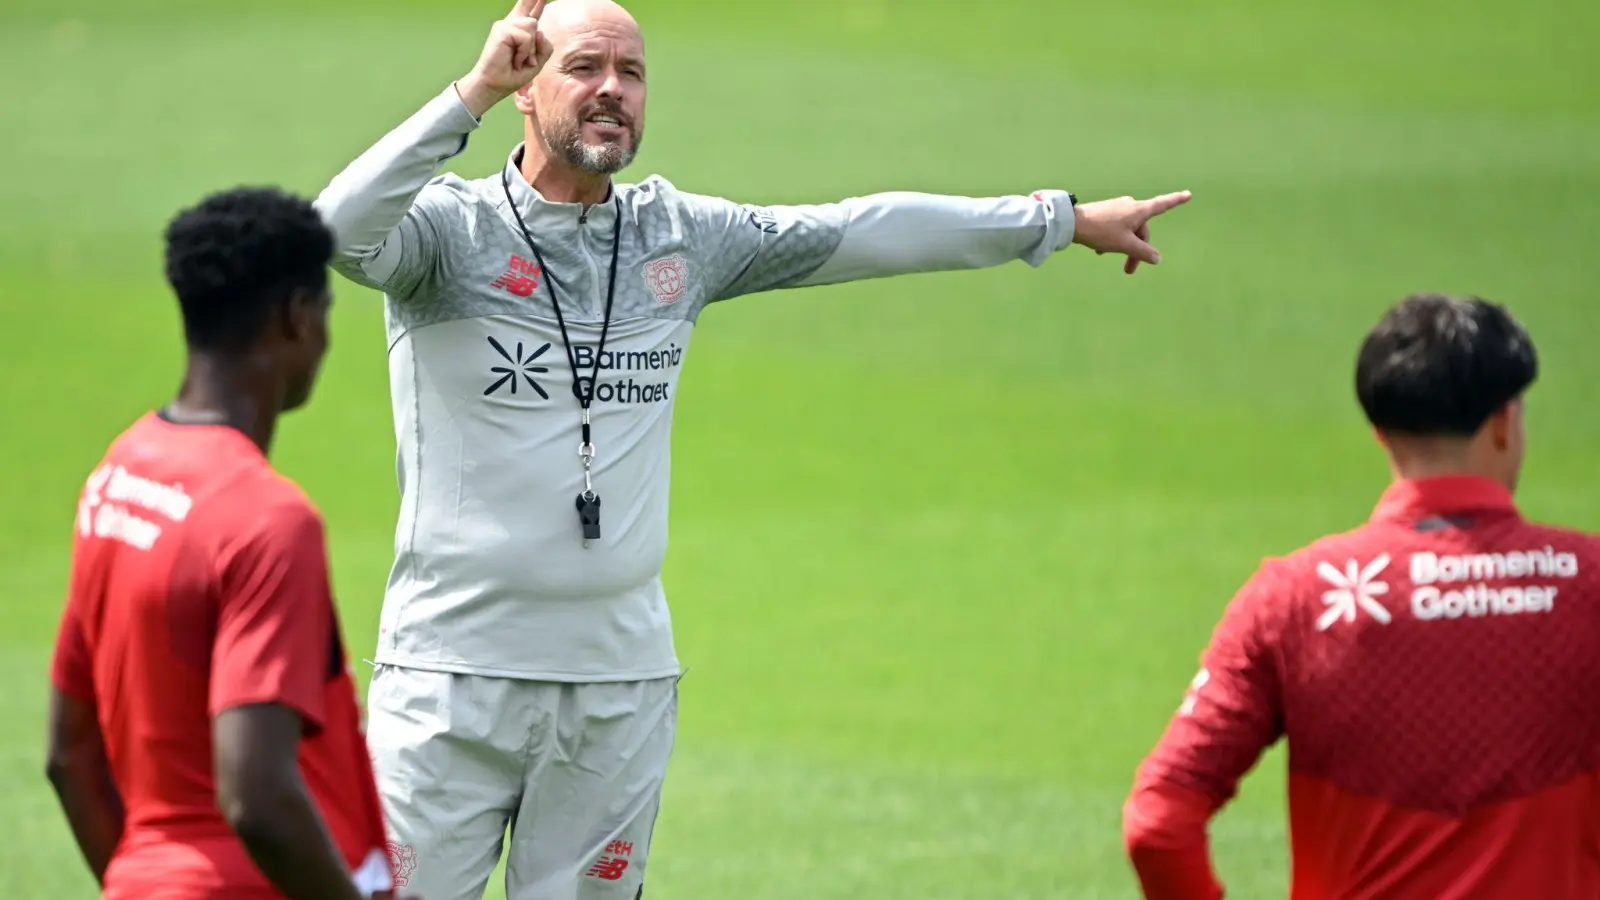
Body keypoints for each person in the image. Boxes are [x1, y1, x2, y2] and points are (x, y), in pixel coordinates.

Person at [312, 0, 1193, 896]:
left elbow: (860, 230)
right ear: (527, 89)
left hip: (617, 684)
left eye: (633, 72)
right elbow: (332, 229)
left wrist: (1058, 218)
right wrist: (469, 93)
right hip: (447, 681)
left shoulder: (681, 238)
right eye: (583, 68)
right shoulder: (445, 236)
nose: (613, 89)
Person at [1122, 292, 1600, 899]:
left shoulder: (1294, 600)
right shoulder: (1589, 582)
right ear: (1506, 422)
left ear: (1380, 433)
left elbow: (1159, 823)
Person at [45, 186, 403, 900]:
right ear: (297, 318)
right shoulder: (266, 519)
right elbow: (257, 799)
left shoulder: (118, 475)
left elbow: (69, 754)